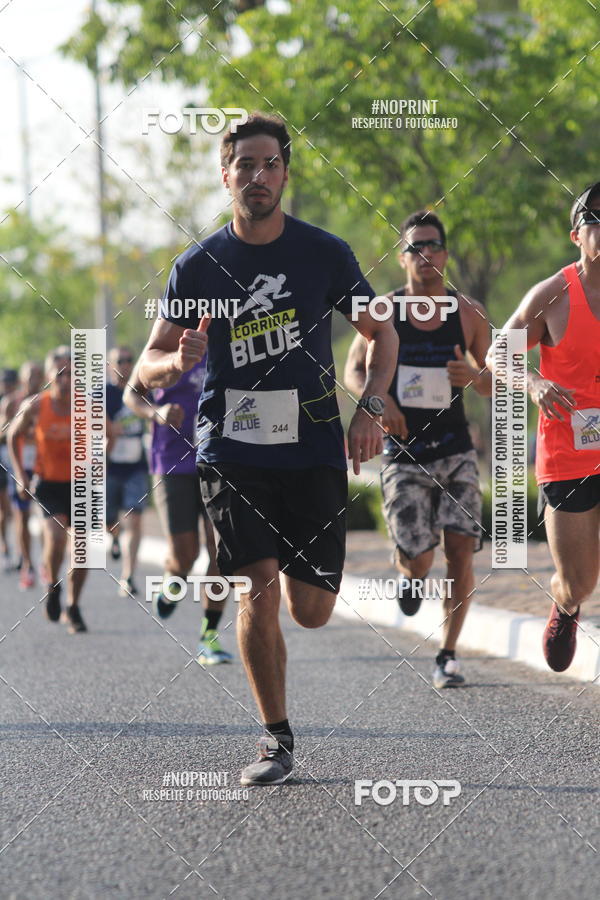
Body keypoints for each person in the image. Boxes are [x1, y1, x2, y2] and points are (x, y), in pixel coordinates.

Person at [137, 112, 397, 785]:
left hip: (311, 448)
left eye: (269, 164)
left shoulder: (324, 253)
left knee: (310, 611)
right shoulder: (198, 264)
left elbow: (382, 330)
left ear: (285, 173)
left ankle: (283, 648)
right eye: (243, 165)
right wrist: (176, 364)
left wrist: (370, 402)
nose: (257, 176)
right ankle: (274, 739)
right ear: (226, 176)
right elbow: (146, 367)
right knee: (256, 585)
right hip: (229, 447)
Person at [345, 210, 492, 689]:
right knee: (420, 558)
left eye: (433, 246)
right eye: (415, 247)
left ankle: (447, 655)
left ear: (445, 255)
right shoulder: (383, 311)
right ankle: (409, 574)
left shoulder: (467, 312)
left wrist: (473, 377)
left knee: (462, 552)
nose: (424, 255)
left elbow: (496, 381)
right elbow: (351, 370)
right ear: (402, 257)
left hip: (456, 449)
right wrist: (378, 399)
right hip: (404, 453)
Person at [486, 181, 600, 673]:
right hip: (567, 454)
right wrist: (533, 382)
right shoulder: (554, 294)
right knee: (581, 580)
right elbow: (498, 352)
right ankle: (566, 601)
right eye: (596, 218)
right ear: (576, 235)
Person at [124, 356, 233, 664]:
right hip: (172, 462)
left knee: (221, 552)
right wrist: (155, 412)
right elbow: (131, 393)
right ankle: (174, 581)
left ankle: (208, 636)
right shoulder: (166, 340)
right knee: (185, 554)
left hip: (220, 459)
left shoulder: (227, 337)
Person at [8, 347, 88, 632]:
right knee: (55, 538)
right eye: (60, 374)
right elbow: (13, 434)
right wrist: (20, 476)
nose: (66, 380)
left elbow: (107, 434)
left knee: (82, 551)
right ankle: (53, 585)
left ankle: (74, 606)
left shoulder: (85, 405)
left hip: (80, 483)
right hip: (48, 482)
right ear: (50, 376)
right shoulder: (36, 405)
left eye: (71, 373)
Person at [106, 346, 149, 597]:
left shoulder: (140, 391)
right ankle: (114, 536)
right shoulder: (102, 394)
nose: (125, 365)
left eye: (129, 360)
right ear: (111, 366)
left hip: (136, 466)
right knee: (109, 520)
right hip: (110, 466)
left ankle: (128, 575)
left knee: (136, 518)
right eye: (120, 361)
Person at [4, 361, 44, 588]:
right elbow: (5, 432)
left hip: (42, 463)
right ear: (22, 379)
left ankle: (45, 564)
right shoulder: (12, 403)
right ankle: (27, 563)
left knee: (48, 516)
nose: (33, 380)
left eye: (37, 375)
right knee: (23, 515)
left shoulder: (47, 402)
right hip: (20, 462)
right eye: (29, 376)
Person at [0, 368, 20, 570]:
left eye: (11, 382)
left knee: (16, 509)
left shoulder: (21, 401)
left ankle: (20, 551)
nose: (8, 386)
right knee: (4, 510)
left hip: (17, 458)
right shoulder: (5, 404)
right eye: (4, 382)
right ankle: (5, 548)